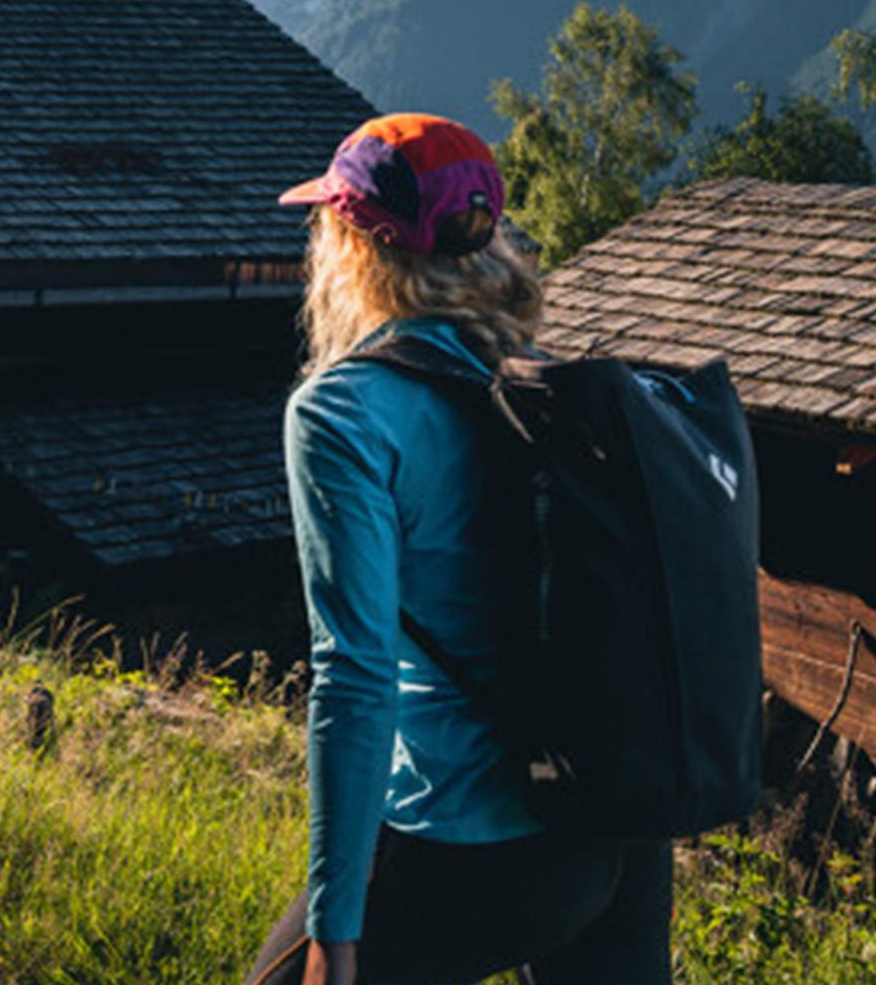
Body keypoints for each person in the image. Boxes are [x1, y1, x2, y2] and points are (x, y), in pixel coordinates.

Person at [246, 113, 672, 985]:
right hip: (613, 823)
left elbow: (355, 677)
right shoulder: (549, 383)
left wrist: (338, 920)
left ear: (355, 247)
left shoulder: (342, 412)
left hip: (470, 839)